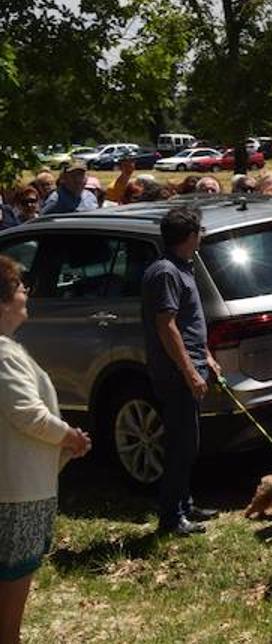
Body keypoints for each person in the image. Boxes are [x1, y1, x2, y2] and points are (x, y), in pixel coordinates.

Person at [0, 256, 93, 643]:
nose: (26, 294)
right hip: (17, 491)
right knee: (13, 580)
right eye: (21, 287)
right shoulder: (2, 353)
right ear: (3, 302)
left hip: (19, 485)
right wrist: (69, 436)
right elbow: (28, 415)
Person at [140, 206, 221, 536]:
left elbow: (190, 323)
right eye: (199, 231)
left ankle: (185, 504)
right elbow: (167, 326)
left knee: (189, 442)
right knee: (180, 445)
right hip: (175, 374)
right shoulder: (166, 273)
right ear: (189, 236)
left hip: (192, 365)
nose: (202, 235)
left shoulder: (183, 267)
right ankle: (171, 517)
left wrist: (208, 357)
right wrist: (189, 372)